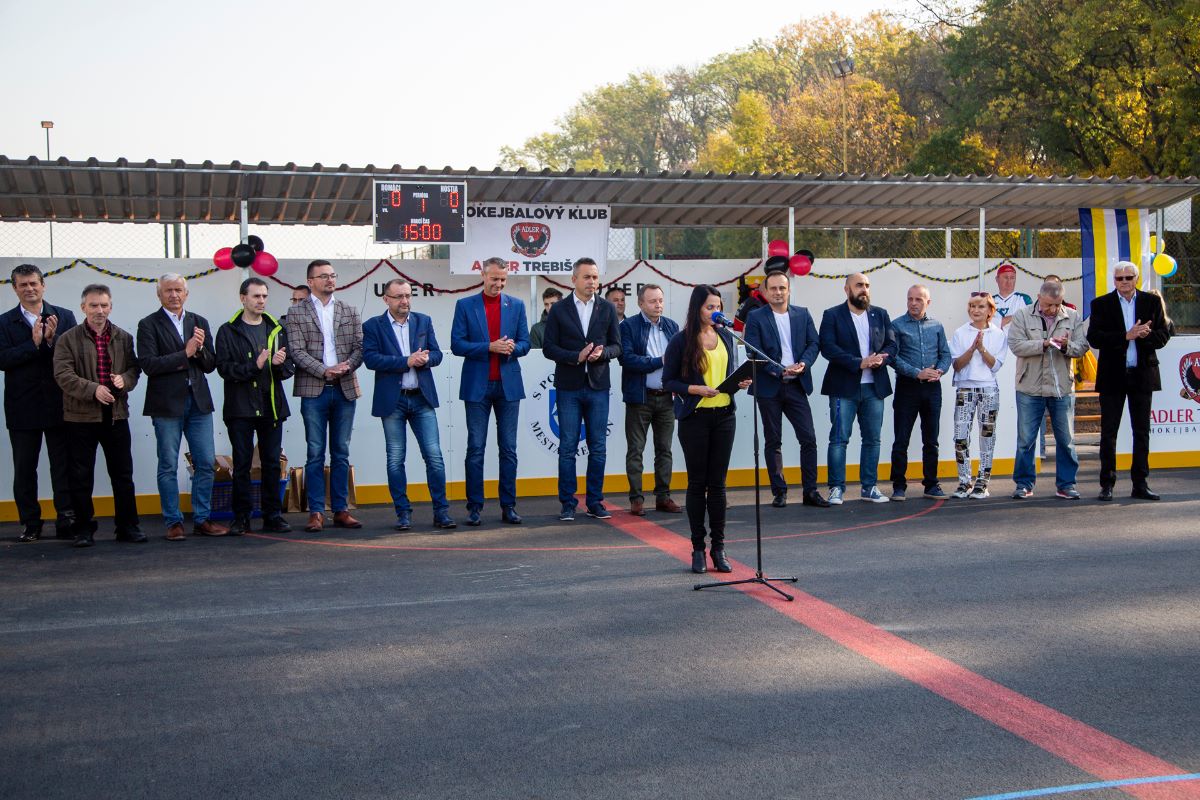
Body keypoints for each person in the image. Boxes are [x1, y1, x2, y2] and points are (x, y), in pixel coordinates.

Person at [663, 285, 751, 574]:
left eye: (718, 307)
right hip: (695, 418)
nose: (715, 312)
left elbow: (728, 374)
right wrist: (695, 389)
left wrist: (739, 383)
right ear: (697, 309)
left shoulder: (726, 336)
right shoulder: (681, 340)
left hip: (724, 416)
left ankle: (719, 547)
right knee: (697, 483)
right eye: (709, 307)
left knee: (718, 484)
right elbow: (668, 381)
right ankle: (698, 548)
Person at [136, 273, 227, 542]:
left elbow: (210, 365)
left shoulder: (199, 322)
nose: (174, 295)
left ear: (186, 294)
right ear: (159, 294)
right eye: (168, 290)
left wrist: (199, 350)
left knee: (206, 463)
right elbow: (149, 364)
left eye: (178, 290)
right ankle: (173, 522)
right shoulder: (148, 324)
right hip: (166, 404)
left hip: (198, 402)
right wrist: (185, 353)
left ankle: (202, 519)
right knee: (168, 464)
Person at [52, 284, 144, 547]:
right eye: (94, 305)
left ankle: (127, 527)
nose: (99, 310)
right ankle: (83, 529)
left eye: (104, 305)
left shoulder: (124, 337)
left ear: (111, 307)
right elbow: (63, 375)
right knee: (81, 477)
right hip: (80, 418)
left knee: (123, 475)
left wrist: (124, 380)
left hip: (116, 415)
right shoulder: (67, 339)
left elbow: (134, 369)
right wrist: (94, 390)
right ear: (83, 307)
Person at [363, 279, 456, 531]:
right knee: (395, 458)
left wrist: (426, 359)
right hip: (392, 401)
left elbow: (437, 354)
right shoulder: (373, 325)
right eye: (398, 297)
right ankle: (403, 513)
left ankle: (441, 512)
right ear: (386, 299)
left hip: (421, 397)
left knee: (434, 456)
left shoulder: (423, 321)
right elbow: (370, 359)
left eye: (407, 295)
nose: (404, 301)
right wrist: (406, 361)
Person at [450, 257, 531, 526]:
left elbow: (525, 343)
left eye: (503, 279)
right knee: (476, 448)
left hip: (509, 386)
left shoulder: (516, 305)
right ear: (483, 276)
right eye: (494, 278)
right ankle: (474, 507)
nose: (499, 283)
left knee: (508, 449)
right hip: (477, 386)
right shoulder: (465, 305)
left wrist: (512, 348)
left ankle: (509, 506)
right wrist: (489, 347)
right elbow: (457, 344)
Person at [0, 264, 76, 542]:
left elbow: (75, 355)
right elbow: (2, 360)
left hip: (59, 403)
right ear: (15, 289)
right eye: (23, 285)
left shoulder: (64, 316)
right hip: (22, 406)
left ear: (43, 285)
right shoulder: (4, 322)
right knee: (24, 469)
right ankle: (30, 522)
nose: (29, 288)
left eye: (34, 283)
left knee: (63, 465)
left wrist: (52, 341)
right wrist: (32, 344)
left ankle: (67, 518)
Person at [286, 259, 364, 532]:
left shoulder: (349, 310)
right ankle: (316, 512)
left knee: (341, 452)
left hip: (345, 388)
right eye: (324, 276)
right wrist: (325, 370)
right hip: (313, 390)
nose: (330, 280)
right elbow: (296, 351)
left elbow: (359, 347)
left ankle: (341, 509)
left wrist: (346, 367)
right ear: (311, 282)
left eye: (333, 275)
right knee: (315, 452)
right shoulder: (296, 312)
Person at [543, 257, 622, 521]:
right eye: (587, 277)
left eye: (595, 277)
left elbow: (617, 346)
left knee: (598, 447)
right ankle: (567, 503)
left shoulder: (607, 308)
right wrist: (575, 357)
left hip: (598, 386)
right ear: (574, 279)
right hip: (568, 387)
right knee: (567, 447)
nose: (592, 282)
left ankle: (595, 502)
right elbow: (548, 348)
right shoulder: (559, 309)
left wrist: (602, 353)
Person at [1086, 261, 1172, 501]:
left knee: (1142, 432)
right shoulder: (1101, 304)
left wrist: (1145, 335)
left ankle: (1140, 484)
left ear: (1136, 278)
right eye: (1119, 278)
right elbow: (1094, 338)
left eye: (1128, 277)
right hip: (1113, 377)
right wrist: (1126, 336)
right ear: (1114, 281)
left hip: (1142, 375)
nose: (1124, 282)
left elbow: (1163, 335)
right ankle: (1107, 484)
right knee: (1109, 433)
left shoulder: (1151, 302)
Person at [743, 270, 828, 509]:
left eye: (782, 288)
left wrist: (803, 364)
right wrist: (779, 370)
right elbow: (753, 350)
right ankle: (779, 491)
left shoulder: (803, 314)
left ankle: (810, 491)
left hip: (797, 385)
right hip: (769, 386)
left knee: (808, 438)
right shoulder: (756, 317)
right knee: (773, 441)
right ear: (765, 291)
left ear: (789, 290)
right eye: (773, 288)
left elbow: (814, 343)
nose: (778, 292)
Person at [216, 278, 294, 535]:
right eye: (256, 296)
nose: (261, 301)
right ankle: (241, 517)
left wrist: (279, 365)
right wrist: (255, 365)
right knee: (242, 464)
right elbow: (224, 369)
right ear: (243, 298)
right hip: (240, 408)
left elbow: (289, 369)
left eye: (264, 296)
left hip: (271, 406)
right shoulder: (228, 330)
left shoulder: (276, 328)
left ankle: (273, 516)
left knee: (272, 463)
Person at [818, 273, 898, 505]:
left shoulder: (880, 314)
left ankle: (869, 487)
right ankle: (836, 488)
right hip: (843, 388)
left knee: (872, 439)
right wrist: (859, 363)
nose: (864, 289)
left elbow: (893, 344)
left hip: (874, 388)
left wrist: (882, 359)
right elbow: (828, 347)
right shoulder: (832, 315)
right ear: (847, 289)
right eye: (859, 285)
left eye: (867, 285)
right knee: (839, 439)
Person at [1006, 280, 1090, 499]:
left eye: (1057, 304)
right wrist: (1043, 344)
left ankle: (1066, 485)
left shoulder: (1072, 316)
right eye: (1048, 304)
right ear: (1039, 297)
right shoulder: (1022, 315)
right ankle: (1024, 484)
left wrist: (1066, 346)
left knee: (1066, 440)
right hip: (1029, 387)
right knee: (1026, 440)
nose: (1052, 309)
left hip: (1062, 387)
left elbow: (1082, 346)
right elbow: (1015, 344)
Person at [618, 283, 681, 516]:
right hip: (640, 398)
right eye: (653, 301)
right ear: (640, 303)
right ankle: (636, 499)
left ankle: (663, 497)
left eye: (660, 300)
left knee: (665, 450)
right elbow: (626, 359)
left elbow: (680, 359)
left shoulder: (672, 326)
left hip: (666, 397)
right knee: (636, 450)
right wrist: (658, 361)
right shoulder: (628, 326)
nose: (658, 305)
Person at [888, 284, 952, 501]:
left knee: (931, 440)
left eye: (918, 299)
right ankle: (898, 486)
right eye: (910, 299)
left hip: (932, 389)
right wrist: (917, 373)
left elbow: (945, 355)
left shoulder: (937, 326)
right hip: (907, 388)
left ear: (928, 302)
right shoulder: (896, 325)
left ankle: (931, 484)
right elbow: (893, 358)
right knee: (901, 440)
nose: (913, 303)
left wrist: (939, 371)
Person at [948, 292, 1008, 498]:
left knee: (987, 436)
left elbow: (995, 365)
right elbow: (956, 365)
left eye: (981, 306)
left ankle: (982, 482)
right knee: (960, 436)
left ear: (990, 310)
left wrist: (981, 349)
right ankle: (964, 482)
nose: (976, 310)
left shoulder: (998, 334)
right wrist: (972, 348)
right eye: (972, 306)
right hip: (965, 389)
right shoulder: (960, 332)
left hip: (988, 389)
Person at [993, 263, 1032, 327]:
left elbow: (1030, 321)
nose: (1009, 281)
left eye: (1012, 278)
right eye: (1005, 277)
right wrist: (1017, 317)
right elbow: (986, 323)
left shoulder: (1024, 299)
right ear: (997, 279)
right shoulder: (990, 300)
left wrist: (999, 322)